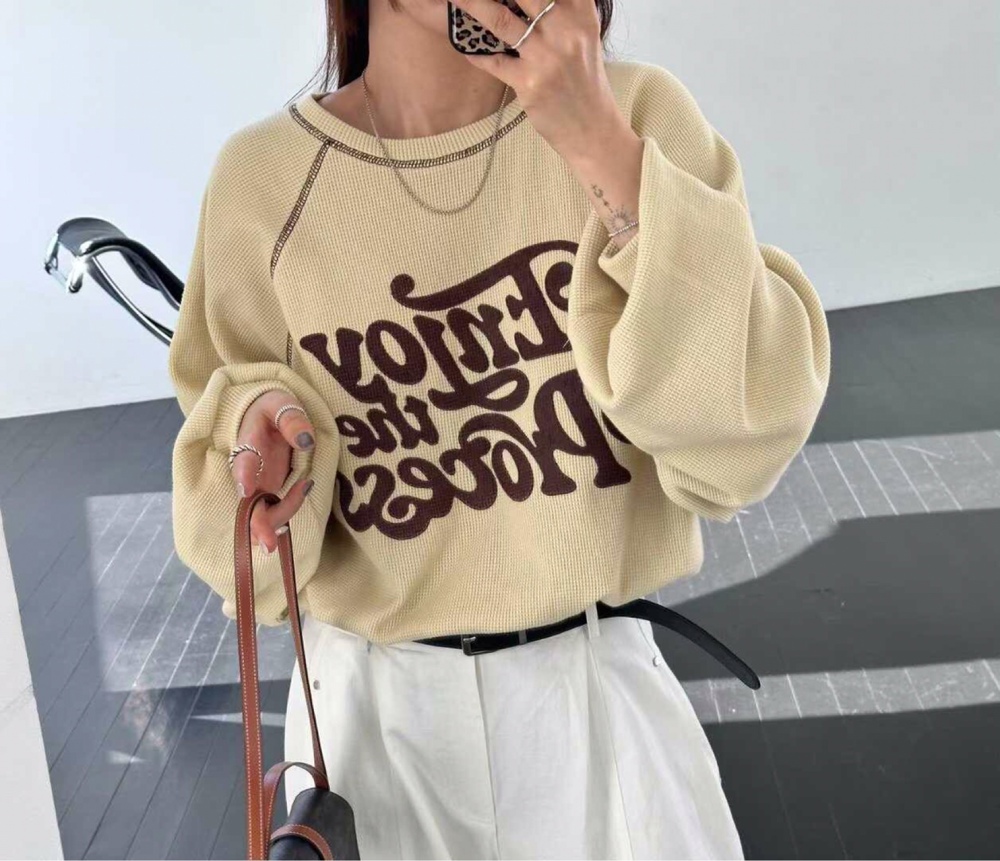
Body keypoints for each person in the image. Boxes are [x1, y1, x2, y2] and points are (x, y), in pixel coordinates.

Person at [167, 0, 831, 857]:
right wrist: (256, 446)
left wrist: (601, 148)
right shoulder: (263, 183)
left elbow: (747, 435)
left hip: (599, 702)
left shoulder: (638, 115)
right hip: (373, 726)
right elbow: (242, 554)